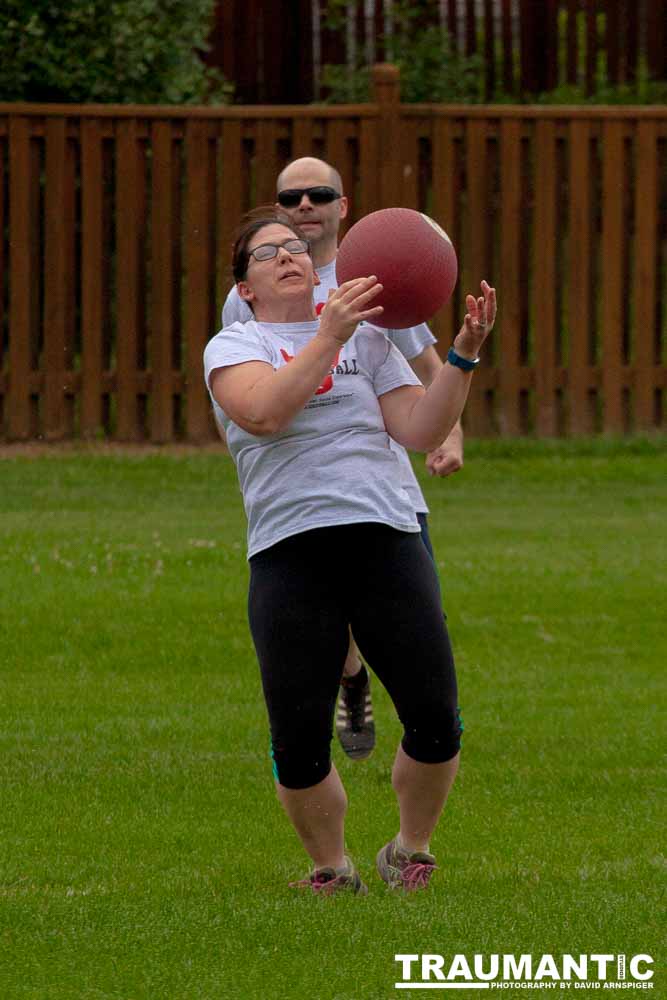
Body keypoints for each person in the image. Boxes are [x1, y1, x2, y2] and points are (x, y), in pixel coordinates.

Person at [204, 212, 496, 893]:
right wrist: (325, 336)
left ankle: (409, 851)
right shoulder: (234, 347)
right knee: (299, 738)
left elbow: (423, 426)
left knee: (434, 715)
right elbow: (267, 413)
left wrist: (462, 357)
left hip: (384, 534)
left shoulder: (367, 342)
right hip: (289, 551)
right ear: (243, 287)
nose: (289, 256)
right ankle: (331, 868)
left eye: (298, 249)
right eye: (268, 252)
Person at [221, 157, 464, 763]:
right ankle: (350, 679)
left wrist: (449, 429)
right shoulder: (246, 300)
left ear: (342, 205)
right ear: (278, 210)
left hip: (384, 495)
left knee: (413, 629)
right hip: (298, 499)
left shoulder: (374, 275)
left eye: (318, 194)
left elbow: (422, 364)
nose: (305, 206)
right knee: (322, 621)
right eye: (292, 197)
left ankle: (383, 697)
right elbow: (241, 386)